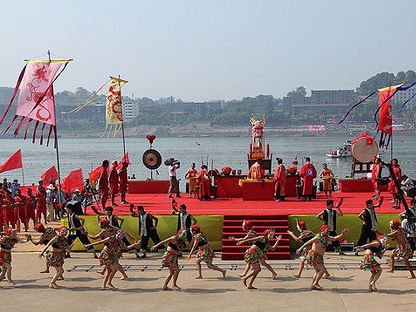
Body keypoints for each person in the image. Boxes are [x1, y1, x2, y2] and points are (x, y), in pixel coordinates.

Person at [296, 225, 348, 291]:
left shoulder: (326, 237)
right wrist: (300, 248)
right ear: (322, 230)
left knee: (317, 271)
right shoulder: (318, 237)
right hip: (315, 255)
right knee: (322, 270)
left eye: (329, 231)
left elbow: (334, 238)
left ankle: (313, 285)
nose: (328, 232)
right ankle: (315, 283)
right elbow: (309, 242)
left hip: (319, 256)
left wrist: (342, 234)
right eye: (327, 230)